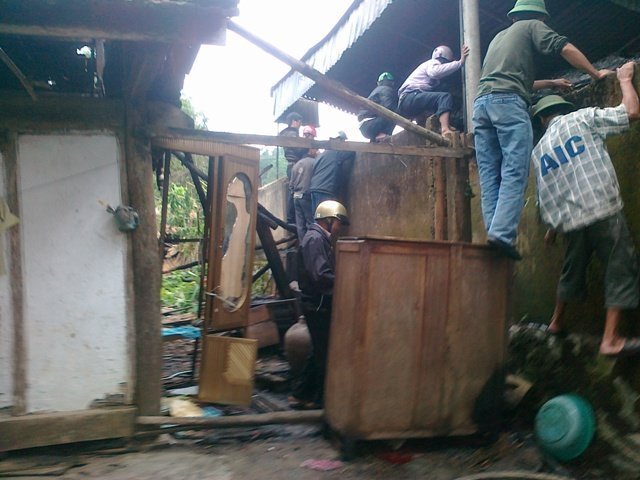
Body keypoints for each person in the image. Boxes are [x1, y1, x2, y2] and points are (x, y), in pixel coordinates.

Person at [472, 0, 610, 260]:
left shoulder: (499, 38)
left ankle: (494, 233)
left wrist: (552, 83)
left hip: (481, 107)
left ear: (515, 16)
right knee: (514, 168)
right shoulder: (533, 25)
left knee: (490, 174)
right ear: (540, 18)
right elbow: (564, 47)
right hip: (508, 105)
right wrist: (595, 74)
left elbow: (513, 79)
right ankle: (502, 234)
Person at [531, 61, 640, 358]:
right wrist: (625, 80)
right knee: (620, 265)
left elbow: (547, 194)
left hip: (571, 221)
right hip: (602, 208)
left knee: (572, 269)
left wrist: (552, 230)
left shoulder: (538, 152)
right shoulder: (581, 119)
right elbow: (631, 112)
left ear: (542, 120)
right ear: (564, 109)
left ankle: (556, 323)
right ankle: (610, 339)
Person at [289, 200, 349, 408]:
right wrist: (346, 283)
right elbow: (321, 275)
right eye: (338, 223)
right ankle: (321, 402)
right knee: (324, 354)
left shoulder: (319, 238)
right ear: (329, 220)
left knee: (318, 350)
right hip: (317, 305)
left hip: (318, 303)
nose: (339, 228)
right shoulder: (315, 239)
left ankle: (300, 394)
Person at [397, 44, 469, 136]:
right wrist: (459, 62)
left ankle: (439, 125)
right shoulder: (432, 63)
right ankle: (445, 129)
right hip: (410, 97)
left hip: (408, 101)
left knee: (436, 99)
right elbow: (435, 73)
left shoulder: (428, 76)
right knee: (444, 97)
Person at [308, 131, 356, 214]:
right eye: (343, 141)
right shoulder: (336, 152)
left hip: (314, 189)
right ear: (337, 140)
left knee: (317, 216)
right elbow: (352, 151)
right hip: (325, 189)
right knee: (325, 216)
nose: (343, 143)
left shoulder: (321, 155)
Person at [279, 111, 307, 224]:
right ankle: (291, 218)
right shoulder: (292, 134)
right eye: (299, 122)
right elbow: (298, 149)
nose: (300, 125)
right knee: (296, 191)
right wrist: (308, 146)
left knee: (293, 190)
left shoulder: (287, 134)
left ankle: (291, 218)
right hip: (295, 165)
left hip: (292, 165)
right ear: (294, 121)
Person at [357, 72, 398, 143]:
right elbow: (388, 107)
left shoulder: (376, 91)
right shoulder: (386, 89)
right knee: (393, 114)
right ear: (392, 83)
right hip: (371, 125)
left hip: (365, 126)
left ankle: (376, 139)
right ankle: (383, 135)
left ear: (378, 83)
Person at [290, 148, 318, 241]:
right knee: (311, 223)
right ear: (310, 150)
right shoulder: (313, 162)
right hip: (306, 195)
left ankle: (303, 246)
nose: (317, 151)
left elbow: (291, 184)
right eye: (315, 149)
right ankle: (312, 245)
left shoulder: (296, 165)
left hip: (296, 196)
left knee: (300, 225)